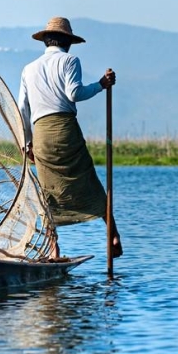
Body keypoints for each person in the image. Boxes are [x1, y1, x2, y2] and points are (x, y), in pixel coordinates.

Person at [17, 16, 122, 257]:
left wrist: (26, 143)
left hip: (41, 133)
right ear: (68, 42)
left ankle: (53, 251)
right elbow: (74, 94)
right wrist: (101, 84)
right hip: (65, 130)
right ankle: (113, 236)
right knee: (88, 179)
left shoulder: (28, 69)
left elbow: (23, 108)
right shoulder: (70, 60)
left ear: (46, 41)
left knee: (48, 191)